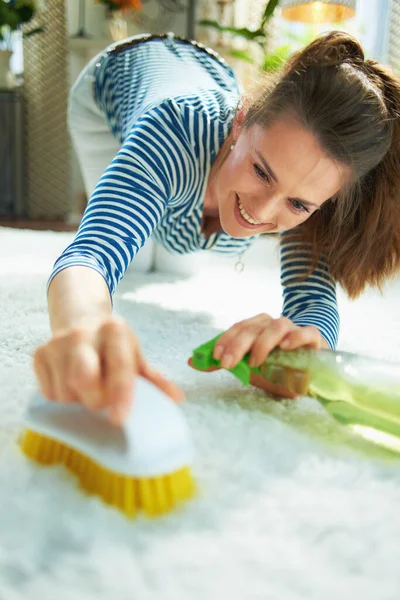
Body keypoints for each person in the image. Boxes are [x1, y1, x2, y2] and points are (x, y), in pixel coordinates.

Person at [34, 30, 400, 425]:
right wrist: (86, 327)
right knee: (133, 265)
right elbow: (93, 254)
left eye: (298, 204)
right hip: (115, 79)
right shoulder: (171, 132)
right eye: (261, 171)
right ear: (242, 120)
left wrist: (304, 346)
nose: (261, 212)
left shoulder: (315, 178)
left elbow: (312, 304)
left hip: (209, 77)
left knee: (177, 260)